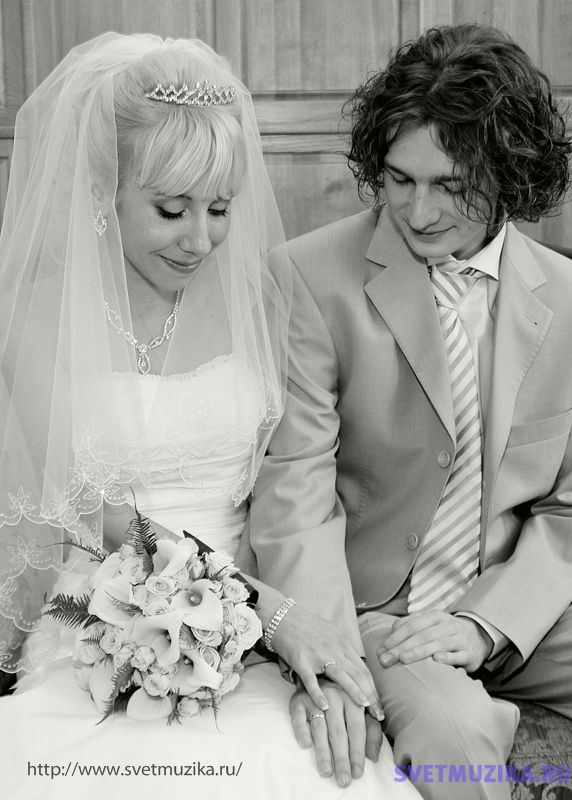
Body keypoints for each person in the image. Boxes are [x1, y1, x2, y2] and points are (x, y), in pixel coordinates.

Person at [0, 33, 421, 800]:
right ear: (101, 190)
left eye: (220, 208)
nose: (200, 240)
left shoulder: (261, 298)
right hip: (102, 623)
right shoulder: (33, 318)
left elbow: (299, 479)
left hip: (258, 632)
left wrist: (295, 626)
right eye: (171, 210)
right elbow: (98, 515)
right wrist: (272, 613)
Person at [247, 22, 572, 800]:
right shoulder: (307, 276)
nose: (420, 211)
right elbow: (296, 486)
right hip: (381, 612)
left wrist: (488, 623)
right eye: (399, 179)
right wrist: (327, 654)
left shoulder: (565, 297)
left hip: (518, 611)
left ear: (511, 174)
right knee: (456, 739)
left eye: (452, 186)